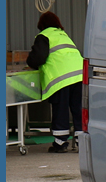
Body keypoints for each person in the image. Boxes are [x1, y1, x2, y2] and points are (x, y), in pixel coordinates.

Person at [26, 11, 84, 153]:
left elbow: (38, 58)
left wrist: (29, 63)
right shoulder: (64, 36)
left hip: (61, 78)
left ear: (42, 25)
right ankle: (81, 142)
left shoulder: (44, 36)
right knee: (78, 110)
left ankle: (60, 143)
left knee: (61, 109)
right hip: (80, 76)